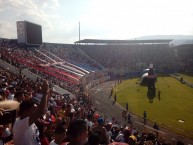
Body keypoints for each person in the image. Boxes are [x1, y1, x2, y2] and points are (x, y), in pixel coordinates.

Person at [13, 80, 49, 145]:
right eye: (34, 109)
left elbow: (42, 110)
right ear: (26, 111)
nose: (35, 111)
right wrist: (45, 93)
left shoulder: (28, 122)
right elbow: (41, 111)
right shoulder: (21, 123)